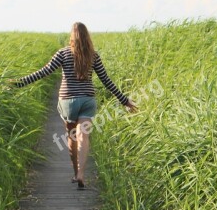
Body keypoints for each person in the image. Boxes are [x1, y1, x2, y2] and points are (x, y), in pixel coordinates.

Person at [11, 22, 137, 189]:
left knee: (72, 137)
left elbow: (43, 72)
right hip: (87, 100)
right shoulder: (93, 55)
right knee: (83, 136)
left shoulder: (62, 53)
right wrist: (125, 100)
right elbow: (106, 81)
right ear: (87, 36)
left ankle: (75, 171)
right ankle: (81, 173)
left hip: (68, 101)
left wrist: (17, 84)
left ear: (72, 36)